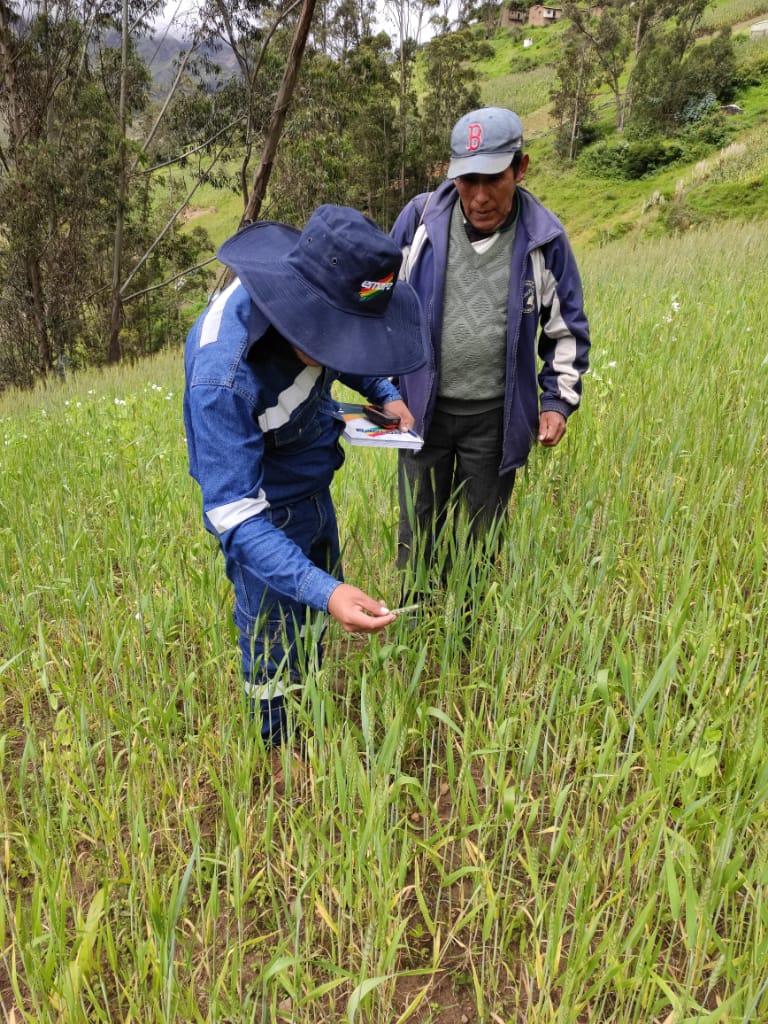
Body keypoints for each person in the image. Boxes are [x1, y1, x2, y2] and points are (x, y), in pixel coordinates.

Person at [183, 204, 425, 747]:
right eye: (336, 335)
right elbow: (234, 515)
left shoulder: (322, 295)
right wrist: (328, 590)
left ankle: (308, 706)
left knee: (310, 625)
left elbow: (348, 343)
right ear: (297, 309)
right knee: (272, 639)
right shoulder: (223, 377)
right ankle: (280, 750)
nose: (343, 348)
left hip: (314, 484)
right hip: (265, 514)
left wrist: (383, 392)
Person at [390, 106, 590, 580]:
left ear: (520, 168)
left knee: (482, 538)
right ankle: (416, 627)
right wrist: (384, 387)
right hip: (421, 413)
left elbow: (565, 330)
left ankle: (469, 635)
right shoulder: (419, 222)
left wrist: (556, 402)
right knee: (419, 530)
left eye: (493, 179)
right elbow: (381, 304)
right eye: (467, 180)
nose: (479, 196)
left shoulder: (545, 239)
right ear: (451, 174)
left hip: (494, 420)